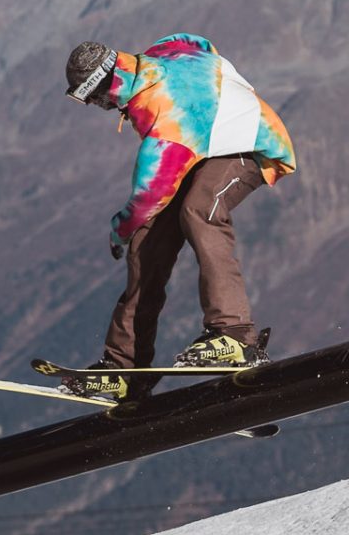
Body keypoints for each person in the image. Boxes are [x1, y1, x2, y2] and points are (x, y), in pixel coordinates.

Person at [60, 33, 297, 401]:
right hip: (204, 146)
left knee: (199, 210)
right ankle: (126, 367)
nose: (96, 106)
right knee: (148, 241)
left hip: (250, 144)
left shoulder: (163, 120)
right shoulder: (158, 56)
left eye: (92, 98)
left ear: (108, 85)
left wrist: (118, 231)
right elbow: (196, 42)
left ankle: (235, 335)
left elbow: (146, 196)